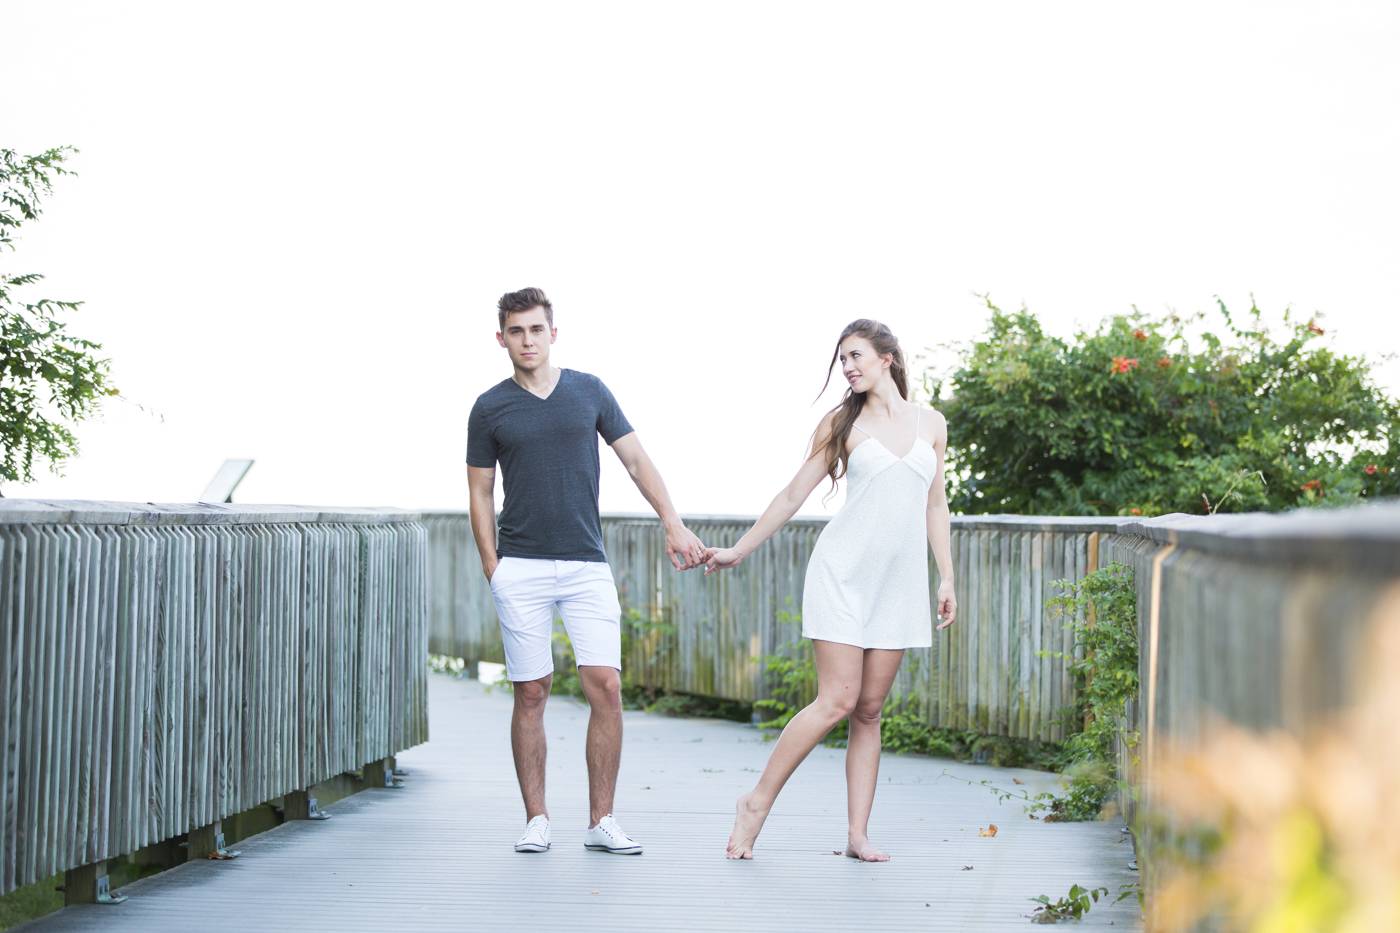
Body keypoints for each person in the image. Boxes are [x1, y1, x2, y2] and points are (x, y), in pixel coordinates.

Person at [702, 318, 958, 861]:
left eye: (856, 355)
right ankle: (756, 802)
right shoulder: (842, 424)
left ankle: (857, 836)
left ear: (887, 357)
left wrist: (947, 575)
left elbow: (936, 504)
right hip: (841, 574)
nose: (848, 367)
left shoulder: (931, 423)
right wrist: (739, 549)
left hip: (899, 583)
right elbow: (794, 492)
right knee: (837, 700)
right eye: (842, 359)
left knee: (869, 710)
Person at [466, 287, 706, 856]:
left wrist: (672, 521)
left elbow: (636, 460)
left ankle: (602, 821)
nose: (528, 340)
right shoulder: (489, 407)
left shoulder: (588, 391)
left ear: (554, 332)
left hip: (585, 564)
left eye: (537, 329)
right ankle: (537, 819)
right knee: (532, 691)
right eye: (517, 331)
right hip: (519, 564)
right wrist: (491, 564)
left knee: (607, 687)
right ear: (501, 338)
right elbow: (480, 490)